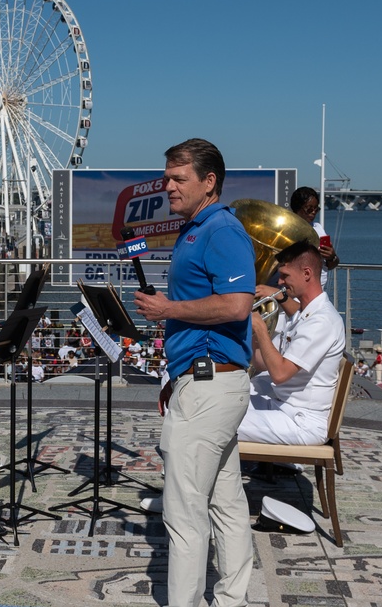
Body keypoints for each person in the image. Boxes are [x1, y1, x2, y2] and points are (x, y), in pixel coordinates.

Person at [133, 138, 255, 607]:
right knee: (226, 505)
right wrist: (175, 374)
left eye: (178, 178)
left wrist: (168, 309)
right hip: (202, 380)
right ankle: (231, 599)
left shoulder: (220, 230)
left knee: (184, 513)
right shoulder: (196, 229)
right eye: (167, 177)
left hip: (210, 385)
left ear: (209, 182)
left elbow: (237, 304)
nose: (167, 186)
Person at [238, 240, 346, 445]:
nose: (279, 282)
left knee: (216, 422)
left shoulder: (321, 321)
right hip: (285, 406)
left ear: (307, 273)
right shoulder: (304, 314)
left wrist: (260, 329)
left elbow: (279, 374)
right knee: (226, 399)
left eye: (285, 276)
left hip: (301, 421)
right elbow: (262, 364)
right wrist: (250, 333)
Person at [290, 186, 340, 287]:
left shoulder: (319, 229)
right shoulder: (285, 229)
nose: (313, 212)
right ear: (297, 208)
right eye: (309, 209)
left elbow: (330, 265)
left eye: (316, 209)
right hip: (291, 292)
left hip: (316, 291)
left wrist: (332, 257)